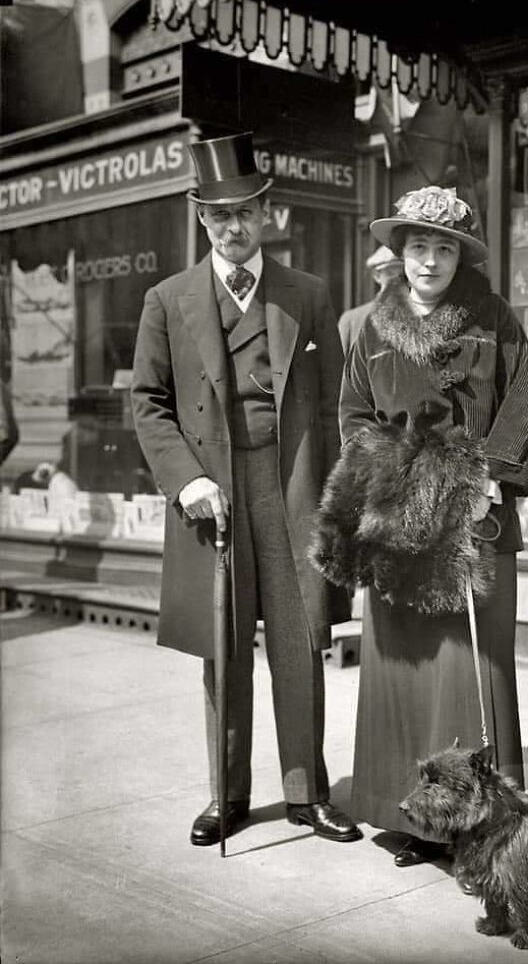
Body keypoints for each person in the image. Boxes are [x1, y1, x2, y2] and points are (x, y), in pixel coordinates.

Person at [131, 132, 361, 847]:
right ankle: (226, 796)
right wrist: (186, 479)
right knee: (223, 649)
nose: (233, 228)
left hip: (291, 487)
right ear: (202, 220)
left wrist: (335, 494)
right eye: (218, 216)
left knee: (301, 644)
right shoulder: (168, 300)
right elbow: (148, 402)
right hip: (213, 494)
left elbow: (331, 408)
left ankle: (307, 793)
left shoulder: (309, 295)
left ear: (269, 213)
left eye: (246, 213)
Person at [313, 185, 528, 868]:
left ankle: (481, 821)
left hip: (476, 512)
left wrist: (491, 476)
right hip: (398, 513)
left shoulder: (494, 318)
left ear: (460, 256)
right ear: (400, 253)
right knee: (402, 665)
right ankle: (409, 816)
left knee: (472, 664)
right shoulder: (374, 327)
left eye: (444, 249)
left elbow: (525, 394)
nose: (430, 262)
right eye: (418, 248)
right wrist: (387, 472)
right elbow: (353, 412)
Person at [337, 245, 403, 356]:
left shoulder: (423, 316)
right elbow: (338, 366)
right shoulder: (352, 319)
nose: (397, 279)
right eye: (390, 274)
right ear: (377, 276)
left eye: (402, 275)